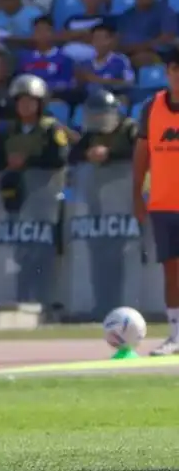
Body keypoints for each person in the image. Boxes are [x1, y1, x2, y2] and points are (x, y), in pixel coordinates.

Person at [134, 48, 179, 356]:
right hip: (163, 203)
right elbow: (142, 153)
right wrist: (137, 194)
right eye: (175, 68)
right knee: (171, 270)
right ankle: (175, 335)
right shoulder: (152, 107)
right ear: (168, 72)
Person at [0, 74, 70, 177]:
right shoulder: (7, 131)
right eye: (21, 101)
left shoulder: (53, 128)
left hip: (44, 183)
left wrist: (28, 161)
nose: (25, 105)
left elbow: (60, 158)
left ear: (40, 104)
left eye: (30, 101)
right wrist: (8, 161)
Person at [68, 89, 136, 166]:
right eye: (94, 115)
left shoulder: (129, 128)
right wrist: (87, 154)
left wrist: (109, 154)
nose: (97, 119)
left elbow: (140, 152)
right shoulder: (93, 131)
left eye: (100, 115)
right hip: (100, 173)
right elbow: (72, 155)